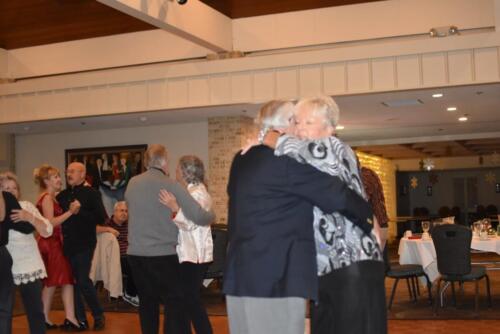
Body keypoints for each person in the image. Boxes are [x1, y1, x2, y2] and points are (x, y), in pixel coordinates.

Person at [224, 100, 375, 334]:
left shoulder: (241, 159)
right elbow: (334, 194)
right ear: (285, 125)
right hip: (275, 280)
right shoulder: (283, 161)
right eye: (296, 121)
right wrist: (367, 216)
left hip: (240, 277)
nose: (300, 129)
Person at [269, 96, 386, 334]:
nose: (300, 128)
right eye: (297, 122)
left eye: (308, 122)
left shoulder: (335, 149)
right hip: (325, 266)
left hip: (353, 262)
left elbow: (296, 149)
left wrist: (269, 137)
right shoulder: (305, 164)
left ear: (330, 128)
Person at [125, 144, 215, 334]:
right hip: (162, 255)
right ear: (164, 162)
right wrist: (211, 215)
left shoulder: (132, 183)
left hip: (136, 254)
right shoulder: (170, 185)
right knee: (174, 302)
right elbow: (200, 217)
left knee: (147, 302)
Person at [159, 155, 214, 334]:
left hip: (195, 255)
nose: (175, 172)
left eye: (177, 170)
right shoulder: (190, 192)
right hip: (187, 254)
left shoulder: (199, 194)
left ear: (185, 172)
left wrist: (175, 207)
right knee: (180, 299)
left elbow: (192, 223)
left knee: (191, 299)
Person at [0, 172, 53, 334]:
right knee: (4, 312)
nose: (10, 191)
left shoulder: (26, 206)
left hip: (28, 266)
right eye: (5, 188)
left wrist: (29, 217)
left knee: (36, 312)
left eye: (13, 188)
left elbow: (47, 231)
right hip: (4, 266)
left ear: (19, 191)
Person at [56, 162, 107, 331]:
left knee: (83, 280)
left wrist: (80, 212)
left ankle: (98, 314)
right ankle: (80, 319)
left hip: (85, 243)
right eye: (67, 171)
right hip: (66, 245)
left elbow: (101, 218)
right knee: (73, 282)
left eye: (72, 171)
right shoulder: (62, 195)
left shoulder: (92, 193)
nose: (68, 174)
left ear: (82, 174)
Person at [35, 164, 82, 331]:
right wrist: (70, 212)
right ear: (46, 180)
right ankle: (70, 318)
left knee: (51, 282)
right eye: (55, 177)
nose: (59, 179)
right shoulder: (47, 198)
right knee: (66, 279)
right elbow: (50, 223)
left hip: (51, 242)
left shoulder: (50, 197)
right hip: (51, 243)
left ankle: (44, 318)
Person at [0, 189, 36, 334]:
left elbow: (25, 227)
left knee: (4, 305)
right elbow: (25, 227)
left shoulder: (6, 197)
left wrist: (29, 218)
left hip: (1, 255)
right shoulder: (6, 197)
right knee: (4, 306)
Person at [96, 201, 139, 306]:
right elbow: (94, 229)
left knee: (144, 263)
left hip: (130, 255)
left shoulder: (130, 225)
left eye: (126, 211)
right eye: (121, 211)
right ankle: (130, 293)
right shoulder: (107, 223)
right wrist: (108, 229)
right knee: (133, 265)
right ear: (114, 212)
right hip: (113, 258)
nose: (124, 213)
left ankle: (141, 292)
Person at [361, 166, 390, 252]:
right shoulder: (370, 173)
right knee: (382, 260)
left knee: (374, 261)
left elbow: (364, 198)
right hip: (382, 222)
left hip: (374, 225)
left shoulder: (363, 176)